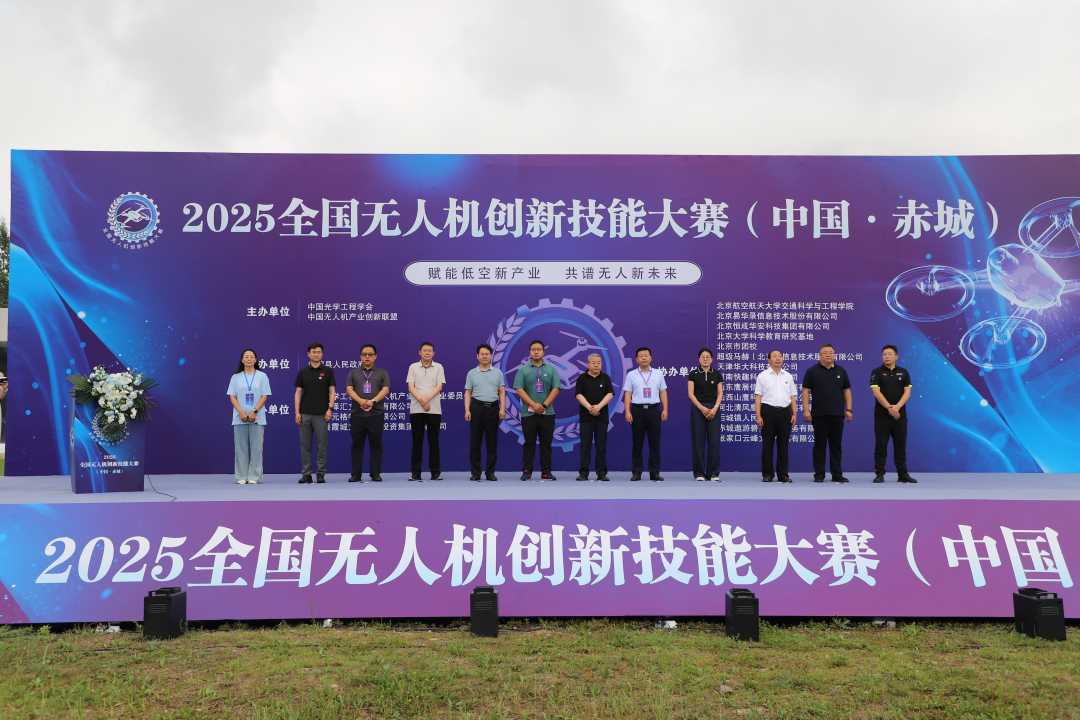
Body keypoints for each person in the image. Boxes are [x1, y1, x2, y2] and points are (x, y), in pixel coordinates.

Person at [801, 343, 853, 483]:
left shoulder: (841, 371)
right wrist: (806, 410)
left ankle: (837, 474)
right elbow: (805, 391)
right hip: (819, 415)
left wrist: (849, 409)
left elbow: (847, 391)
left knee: (836, 446)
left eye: (830, 352)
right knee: (819, 446)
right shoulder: (812, 371)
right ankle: (819, 474)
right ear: (820, 355)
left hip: (837, 414)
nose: (828, 355)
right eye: (825, 353)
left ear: (834, 355)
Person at [512, 340, 560, 481]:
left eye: (539, 349)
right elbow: (519, 389)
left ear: (543, 352)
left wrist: (544, 405)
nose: (536, 351)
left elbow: (556, 388)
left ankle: (546, 472)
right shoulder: (523, 370)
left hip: (548, 413)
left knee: (546, 444)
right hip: (528, 413)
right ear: (530, 352)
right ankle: (527, 471)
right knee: (529, 443)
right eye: (533, 349)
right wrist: (533, 404)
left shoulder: (551, 369)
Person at [871, 344, 916, 483]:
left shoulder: (904, 372)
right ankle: (879, 474)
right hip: (882, 416)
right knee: (881, 445)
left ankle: (903, 475)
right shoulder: (876, 372)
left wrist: (897, 407)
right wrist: (889, 407)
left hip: (899, 416)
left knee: (900, 445)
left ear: (896, 356)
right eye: (884, 354)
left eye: (890, 354)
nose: (887, 356)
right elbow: (876, 392)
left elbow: (907, 392)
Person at [623, 346, 668, 481]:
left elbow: (663, 392)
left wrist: (665, 409)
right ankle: (636, 472)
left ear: (650, 358)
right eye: (641, 356)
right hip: (637, 410)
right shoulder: (631, 374)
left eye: (646, 355)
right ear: (636, 359)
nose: (644, 358)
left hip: (654, 410)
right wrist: (627, 410)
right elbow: (628, 393)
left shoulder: (658, 373)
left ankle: (655, 472)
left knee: (655, 443)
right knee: (637, 443)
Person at [347, 344, 390, 483]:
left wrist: (372, 401)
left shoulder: (382, 372)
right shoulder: (353, 372)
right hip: (357, 414)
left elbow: (385, 389)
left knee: (376, 445)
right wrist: (361, 401)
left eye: (370, 354)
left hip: (376, 414)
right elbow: (349, 389)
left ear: (375, 356)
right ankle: (356, 474)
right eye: (364, 354)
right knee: (357, 445)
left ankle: (375, 474)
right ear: (360, 356)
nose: (367, 357)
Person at [227, 349, 272, 485]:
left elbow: (265, 395)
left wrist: (254, 411)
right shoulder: (235, 377)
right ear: (242, 360)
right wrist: (241, 412)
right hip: (239, 417)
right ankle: (241, 476)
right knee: (241, 448)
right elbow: (232, 396)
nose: (249, 359)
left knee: (256, 449)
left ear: (255, 360)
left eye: (251, 357)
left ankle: (254, 476)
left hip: (257, 417)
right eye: (246, 356)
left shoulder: (262, 376)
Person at [294, 342, 336, 484]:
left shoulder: (328, 371)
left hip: (322, 414)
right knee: (305, 446)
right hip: (305, 414)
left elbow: (332, 391)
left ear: (322, 354)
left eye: (319, 352)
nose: (316, 354)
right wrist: (297, 412)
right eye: (313, 352)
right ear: (308, 354)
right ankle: (306, 474)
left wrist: (330, 409)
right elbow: (298, 392)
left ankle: (320, 474)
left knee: (321, 446)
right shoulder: (303, 372)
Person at [464, 344, 506, 481]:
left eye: (487, 354)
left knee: (492, 442)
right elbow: (468, 392)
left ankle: (490, 472)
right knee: (475, 442)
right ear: (477, 356)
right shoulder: (471, 373)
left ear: (491, 356)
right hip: (476, 408)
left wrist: (502, 409)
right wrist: (467, 410)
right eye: (482, 354)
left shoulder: (498, 373)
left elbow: (502, 392)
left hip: (493, 408)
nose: (484, 356)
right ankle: (475, 473)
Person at [754, 350, 797, 483]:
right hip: (768, 411)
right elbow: (758, 397)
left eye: (780, 356)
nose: (778, 358)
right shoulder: (762, 376)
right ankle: (767, 474)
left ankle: (783, 475)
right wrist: (758, 415)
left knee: (783, 445)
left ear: (783, 359)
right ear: (769, 360)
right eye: (774, 356)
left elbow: (793, 396)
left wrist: (794, 413)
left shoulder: (788, 376)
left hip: (785, 412)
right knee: (767, 444)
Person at [407, 341, 446, 481]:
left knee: (433, 441)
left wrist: (426, 400)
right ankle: (415, 473)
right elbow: (411, 387)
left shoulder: (439, 367)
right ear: (420, 352)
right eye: (425, 350)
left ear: (433, 353)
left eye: (430, 350)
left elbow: (439, 387)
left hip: (434, 410)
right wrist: (421, 401)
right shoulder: (413, 367)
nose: (427, 352)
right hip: (416, 409)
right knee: (417, 441)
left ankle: (435, 472)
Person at [575, 353, 614, 481]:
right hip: (586, 418)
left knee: (601, 446)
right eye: (593, 363)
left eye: (599, 363)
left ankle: (601, 473)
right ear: (588, 364)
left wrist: (598, 407)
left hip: (601, 417)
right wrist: (589, 408)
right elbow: (578, 395)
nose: (596, 365)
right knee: (585, 446)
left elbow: (610, 394)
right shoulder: (582, 378)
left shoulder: (605, 378)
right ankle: (583, 473)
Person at [687, 348, 724, 482]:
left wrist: (714, 408)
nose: (705, 359)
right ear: (699, 359)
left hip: (714, 409)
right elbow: (690, 394)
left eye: (708, 357)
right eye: (703, 356)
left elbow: (720, 393)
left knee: (714, 442)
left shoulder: (717, 374)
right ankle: (699, 473)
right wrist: (702, 408)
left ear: (712, 359)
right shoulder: (693, 374)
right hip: (698, 409)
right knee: (698, 442)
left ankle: (713, 473)